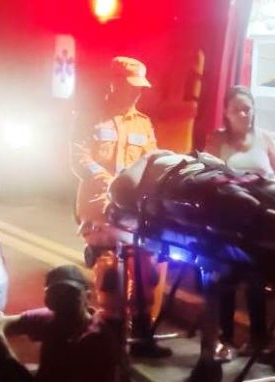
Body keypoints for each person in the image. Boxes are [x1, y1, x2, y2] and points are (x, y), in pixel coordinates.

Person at [71, 56, 169, 358]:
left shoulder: (143, 123)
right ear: (113, 83)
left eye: (140, 87)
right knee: (110, 274)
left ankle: (142, 335)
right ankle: (109, 338)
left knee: (145, 271)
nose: (136, 92)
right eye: (130, 86)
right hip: (99, 209)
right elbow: (78, 158)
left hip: (133, 213)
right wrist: (108, 180)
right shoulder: (90, 118)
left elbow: (151, 162)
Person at [205, 86, 275, 359]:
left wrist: (271, 187)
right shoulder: (217, 140)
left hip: (261, 220)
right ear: (226, 113)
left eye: (247, 109)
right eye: (237, 109)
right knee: (227, 275)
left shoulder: (264, 138)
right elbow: (207, 175)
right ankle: (224, 338)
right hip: (229, 222)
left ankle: (258, 340)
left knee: (256, 278)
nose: (243, 114)